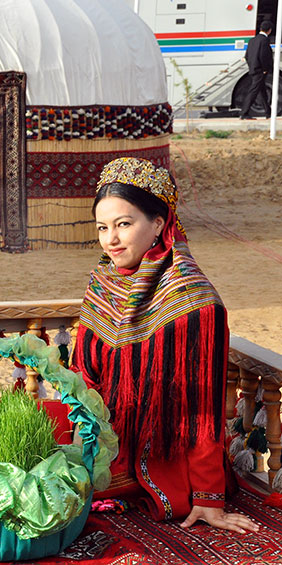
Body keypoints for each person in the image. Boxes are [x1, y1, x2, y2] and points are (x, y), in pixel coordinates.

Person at [73, 157, 259, 533]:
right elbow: (84, 379)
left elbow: (202, 412)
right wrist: (82, 455)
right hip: (103, 452)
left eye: (124, 224)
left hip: (166, 463)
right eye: (103, 227)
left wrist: (209, 498)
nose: (111, 239)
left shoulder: (194, 302)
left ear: (159, 223)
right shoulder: (104, 284)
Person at [240, 20, 274, 120]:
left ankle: (268, 112)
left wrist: (251, 66)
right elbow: (264, 55)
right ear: (269, 30)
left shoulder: (252, 40)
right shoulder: (264, 40)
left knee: (262, 91)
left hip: (253, 69)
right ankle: (244, 113)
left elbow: (247, 56)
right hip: (260, 70)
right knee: (253, 91)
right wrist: (264, 68)